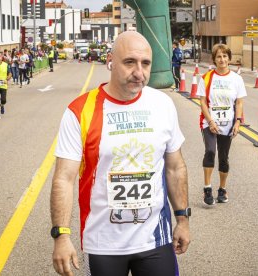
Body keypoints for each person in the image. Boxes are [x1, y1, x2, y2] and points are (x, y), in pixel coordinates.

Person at [50, 31, 190, 276]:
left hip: (155, 239)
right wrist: (61, 235)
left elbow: (175, 167)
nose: (139, 72)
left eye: (145, 63)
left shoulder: (163, 105)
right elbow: (64, 178)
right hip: (105, 243)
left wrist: (183, 219)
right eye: (129, 62)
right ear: (110, 61)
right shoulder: (79, 111)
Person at [196, 43, 247, 205]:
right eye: (218, 56)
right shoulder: (207, 78)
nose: (222, 59)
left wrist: (238, 122)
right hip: (209, 122)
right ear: (214, 59)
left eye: (225, 56)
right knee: (210, 151)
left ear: (229, 59)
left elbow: (239, 103)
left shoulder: (236, 79)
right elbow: (202, 102)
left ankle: (222, 189)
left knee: (224, 157)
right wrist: (210, 121)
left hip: (228, 124)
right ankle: (207, 189)